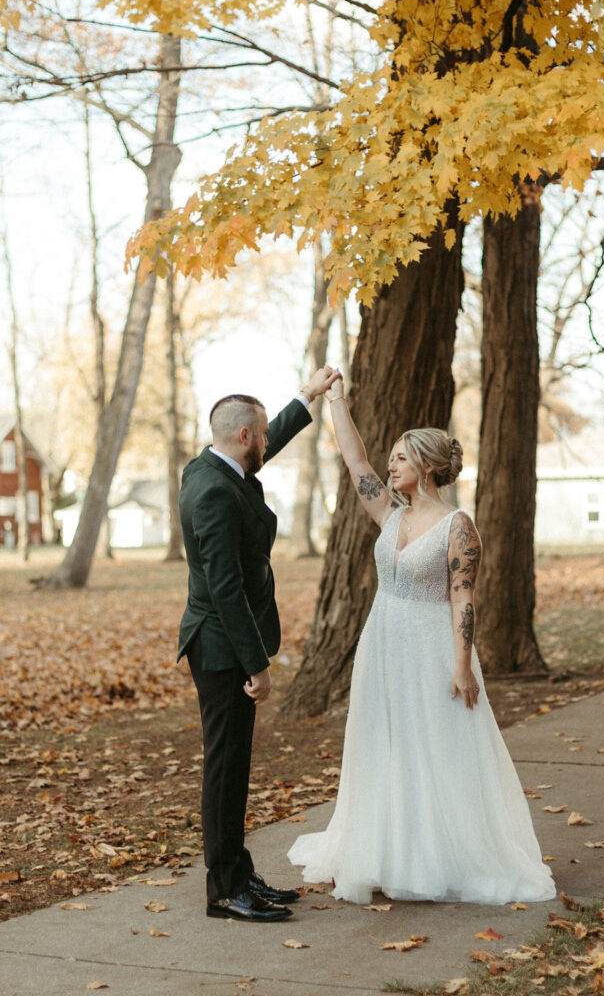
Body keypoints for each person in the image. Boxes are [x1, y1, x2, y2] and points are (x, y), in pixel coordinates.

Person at [288, 375, 556, 905]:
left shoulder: (458, 527)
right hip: (383, 645)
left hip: (433, 649)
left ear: (428, 468)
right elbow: (354, 460)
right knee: (383, 746)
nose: (390, 467)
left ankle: (439, 857)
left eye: (402, 460)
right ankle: (382, 854)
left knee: (434, 751)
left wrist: (461, 665)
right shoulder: (391, 514)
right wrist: (335, 399)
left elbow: (462, 597)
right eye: (391, 459)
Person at [179, 367, 339, 922]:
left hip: (224, 644)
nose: (267, 443)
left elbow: (257, 457)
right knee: (225, 772)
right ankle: (225, 890)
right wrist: (258, 664)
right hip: (223, 649)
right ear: (245, 436)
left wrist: (306, 397)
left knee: (235, 769)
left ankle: (239, 872)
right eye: (265, 434)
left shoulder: (211, 469)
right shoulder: (216, 493)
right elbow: (224, 588)